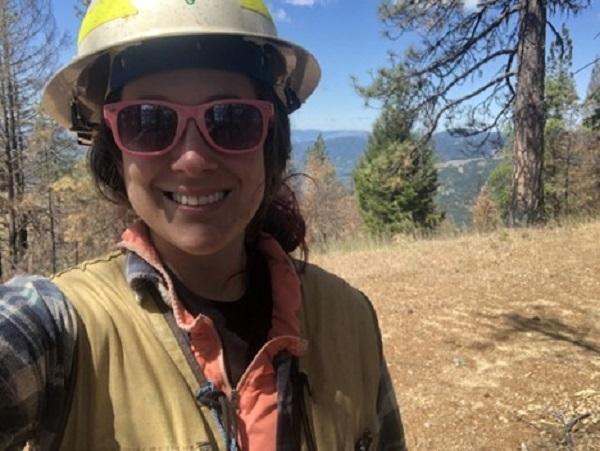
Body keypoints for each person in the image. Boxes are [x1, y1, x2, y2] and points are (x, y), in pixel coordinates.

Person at [0, 0, 407, 449]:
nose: (193, 159)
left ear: (269, 143)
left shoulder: (350, 318)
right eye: (148, 122)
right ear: (116, 153)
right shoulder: (63, 331)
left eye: (230, 120)